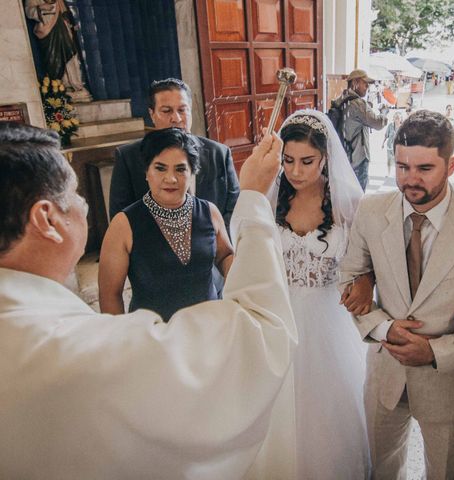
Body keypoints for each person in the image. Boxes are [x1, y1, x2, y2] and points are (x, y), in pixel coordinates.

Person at [0, 122, 297, 479]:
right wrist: (253, 200)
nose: (83, 206)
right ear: (46, 218)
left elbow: (224, 256)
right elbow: (264, 334)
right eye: (76, 195)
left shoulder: (29, 318)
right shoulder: (84, 349)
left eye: (180, 169)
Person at [339, 110, 454, 480]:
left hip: (448, 385)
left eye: (424, 168)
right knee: (382, 469)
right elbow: (349, 279)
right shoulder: (372, 211)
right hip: (384, 376)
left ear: (452, 164)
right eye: (402, 166)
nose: (410, 179)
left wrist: (435, 351)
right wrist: (384, 328)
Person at [261, 110, 370, 478]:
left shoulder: (348, 204)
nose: (295, 171)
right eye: (287, 160)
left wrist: (364, 281)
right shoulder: (271, 199)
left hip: (329, 317)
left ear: (326, 158)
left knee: (326, 410)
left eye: (307, 161)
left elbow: (368, 260)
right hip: (278, 314)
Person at [99, 128, 234, 321]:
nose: (170, 179)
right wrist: (122, 341)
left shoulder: (210, 212)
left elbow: (225, 255)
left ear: (191, 173)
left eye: (180, 169)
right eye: (160, 168)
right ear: (146, 172)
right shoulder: (124, 224)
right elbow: (109, 294)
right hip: (154, 337)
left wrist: (240, 284)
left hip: (209, 329)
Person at [109, 78, 239, 231]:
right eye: (167, 111)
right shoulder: (128, 157)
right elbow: (120, 216)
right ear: (152, 114)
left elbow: (234, 208)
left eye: (182, 110)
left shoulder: (219, 153)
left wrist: (215, 241)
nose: (176, 118)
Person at [330, 69, 387, 190]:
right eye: (365, 83)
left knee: (345, 194)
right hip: (357, 159)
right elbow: (378, 123)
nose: (367, 86)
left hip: (343, 157)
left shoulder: (340, 100)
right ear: (355, 82)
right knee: (359, 197)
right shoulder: (358, 104)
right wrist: (384, 113)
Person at [24, 0, 92, 102]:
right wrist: (41, 8)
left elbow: (64, 12)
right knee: (53, 60)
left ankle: (75, 85)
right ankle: (60, 87)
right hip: (47, 32)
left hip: (63, 29)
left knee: (70, 55)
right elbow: (29, 11)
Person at [383, 112, 403, 176]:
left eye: (398, 118)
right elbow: (386, 135)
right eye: (395, 117)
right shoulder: (390, 126)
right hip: (390, 146)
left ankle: (397, 173)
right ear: (393, 118)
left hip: (398, 147)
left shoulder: (402, 127)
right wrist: (383, 143)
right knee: (389, 160)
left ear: (401, 119)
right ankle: (388, 173)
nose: (397, 119)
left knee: (398, 160)